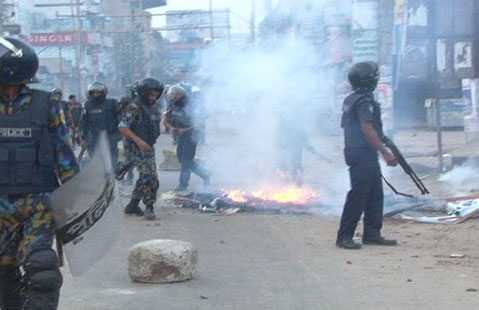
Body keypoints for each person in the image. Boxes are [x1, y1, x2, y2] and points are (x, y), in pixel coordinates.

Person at [0, 37, 78, 309]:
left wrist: (74, 199)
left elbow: (63, 153)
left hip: (37, 204)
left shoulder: (46, 104)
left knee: (43, 270)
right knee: (4, 273)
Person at [336, 61, 398, 250]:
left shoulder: (351, 99)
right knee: (359, 195)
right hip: (362, 153)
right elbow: (367, 127)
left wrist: (384, 140)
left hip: (359, 151)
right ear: (368, 80)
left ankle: (372, 234)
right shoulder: (364, 101)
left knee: (374, 194)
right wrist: (385, 152)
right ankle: (344, 236)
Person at [118, 78, 164, 220]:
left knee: (147, 177)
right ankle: (149, 207)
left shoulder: (155, 107)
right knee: (149, 177)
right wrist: (139, 141)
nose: (154, 95)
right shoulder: (134, 106)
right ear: (144, 92)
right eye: (151, 92)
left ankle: (133, 204)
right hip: (135, 148)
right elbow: (123, 127)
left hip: (148, 148)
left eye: (156, 93)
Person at [164, 84, 211, 192]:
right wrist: (172, 128)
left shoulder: (191, 105)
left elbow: (199, 123)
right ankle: (205, 174)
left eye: (175, 95)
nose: (173, 98)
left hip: (192, 135)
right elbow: (166, 119)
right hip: (180, 135)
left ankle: (183, 185)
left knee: (186, 160)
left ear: (181, 95)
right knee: (182, 159)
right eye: (172, 96)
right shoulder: (172, 104)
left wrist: (185, 130)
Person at [79, 81, 120, 166]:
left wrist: (119, 134)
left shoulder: (112, 103)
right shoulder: (87, 105)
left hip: (111, 135)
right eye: (93, 93)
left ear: (103, 93)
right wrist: (83, 137)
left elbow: (119, 118)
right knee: (96, 160)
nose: (96, 95)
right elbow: (84, 123)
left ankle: (112, 175)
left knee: (112, 160)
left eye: (98, 92)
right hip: (94, 137)